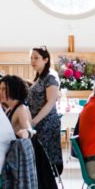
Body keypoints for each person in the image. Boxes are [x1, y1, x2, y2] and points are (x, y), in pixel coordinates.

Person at [0, 74, 59, 189]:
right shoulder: (9, 108)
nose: (0, 92)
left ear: (13, 90)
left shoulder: (21, 109)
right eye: (0, 89)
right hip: (20, 152)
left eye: (4, 89)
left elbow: (29, 129)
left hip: (30, 152)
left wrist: (25, 132)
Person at [27, 46, 62, 176]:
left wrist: (34, 120)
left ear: (46, 59)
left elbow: (51, 102)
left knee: (45, 157)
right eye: (31, 58)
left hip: (46, 123)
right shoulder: (39, 77)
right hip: (38, 122)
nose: (33, 61)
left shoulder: (50, 77)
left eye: (36, 58)